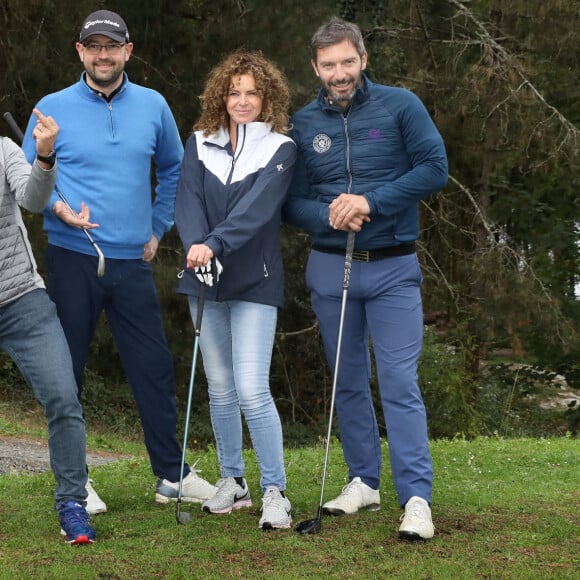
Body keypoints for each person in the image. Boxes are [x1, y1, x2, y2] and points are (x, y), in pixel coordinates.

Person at [21, 9, 216, 514]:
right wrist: (61, 210)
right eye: (93, 46)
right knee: (70, 373)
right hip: (72, 257)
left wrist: (156, 227)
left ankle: (171, 475)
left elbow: (176, 169)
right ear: (80, 52)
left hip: (132, 262)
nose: (103, 54)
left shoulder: (152, 105)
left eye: (112, 46)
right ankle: (76, 479)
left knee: (151, 368)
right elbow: (27, 186)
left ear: (127, 51)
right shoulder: (50, 108)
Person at [283, 17, 448, 541]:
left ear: (363, 59)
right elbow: (290, 202)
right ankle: (363, 480)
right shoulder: (304, 123)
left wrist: (371, 202)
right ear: (315, 67)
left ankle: (416, 498)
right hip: (331, 265)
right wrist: (329, 213)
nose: (339, 73)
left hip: (394, 267)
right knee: (346, 380)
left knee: (399, 382)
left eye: (347, 62)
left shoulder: (401, 105)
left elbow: (434, 167)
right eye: (329, 65)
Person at [174, 51, 297, 529]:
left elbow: (258, 210)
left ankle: (275, 490)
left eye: (252, 93)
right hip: (203, 277)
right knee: (220, 389)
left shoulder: (280, 148)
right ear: (220, 96)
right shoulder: (199, 141)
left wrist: (213, 243)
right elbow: (186, 198)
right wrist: (195, 245)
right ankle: (234, 482)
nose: (242, 101)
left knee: (250, 387)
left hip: (253, 281)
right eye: (234, 92)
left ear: (267, 98)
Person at [1, 109, 96, 544]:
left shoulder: (4, 151)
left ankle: (73, 505)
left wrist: (44, 157)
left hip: (22, 298)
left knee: (62, 397)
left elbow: (34, 199)